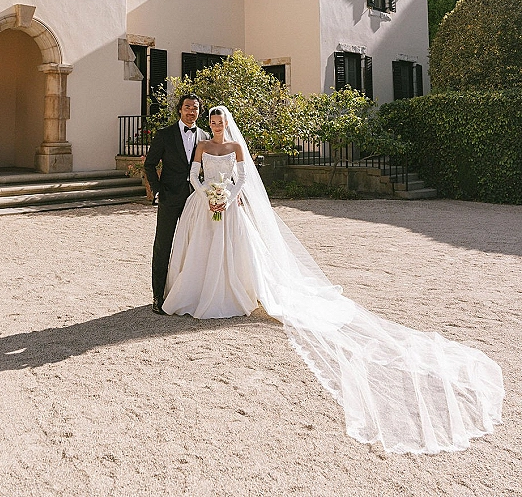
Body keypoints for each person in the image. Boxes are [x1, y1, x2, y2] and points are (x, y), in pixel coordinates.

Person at [162, 105, 504, 455]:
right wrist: (209, 197)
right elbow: (195, 177)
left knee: (234, 254)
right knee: (201, 253)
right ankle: (201, 289)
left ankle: (232, 292)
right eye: (213, 122)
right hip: (205, 206)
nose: (217, 126)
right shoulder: (202, 147)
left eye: (220, 122)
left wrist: (227, 199)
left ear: (227, 124)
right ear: (209, 125)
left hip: (229, 208)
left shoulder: (235, 149)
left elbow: (243, 180)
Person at [143, 94, 210, 314]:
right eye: (187, 107)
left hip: (195, 199)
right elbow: (150, 165)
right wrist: (158, 190)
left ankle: (187, 294)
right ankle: (157, 296)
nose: (191, 111)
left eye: (196, 108)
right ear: (180, 110)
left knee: (193, 246)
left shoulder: (205, 136)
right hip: (170, 198)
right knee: (163, 245)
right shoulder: (164, 135)